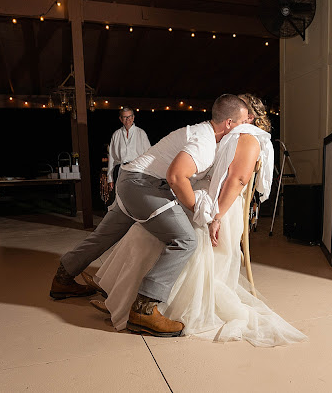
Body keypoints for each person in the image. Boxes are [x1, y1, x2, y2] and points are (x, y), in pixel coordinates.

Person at [87, 95, 308, 347]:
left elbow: (236, 181)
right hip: (197, 197)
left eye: (242, 112)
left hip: (220, 206)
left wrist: (215, 216)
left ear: (249, 117)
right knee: (144, 233)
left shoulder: (247, 137)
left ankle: (147, 306)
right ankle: (125, 300)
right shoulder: (223, 135)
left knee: (180, 239)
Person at [49, 94, 250, 338]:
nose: (244, 131)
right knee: (186, 240)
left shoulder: (202, 133)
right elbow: (176, 177)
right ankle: (144, 308)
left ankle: (63, 277)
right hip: (143, 186)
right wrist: (203, 214)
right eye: (241, 124)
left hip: (131, 179)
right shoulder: (205, 142)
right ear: (228, 123)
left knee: (104, 236)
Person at [107, 108, 151, 198]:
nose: (128, 119)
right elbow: (111, 157)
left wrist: (149, 175)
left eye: (130, 116)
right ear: (120, 119)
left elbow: (148, 154)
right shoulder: (116, 134)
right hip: (120, 171)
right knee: (120, 199)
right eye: (125, 117)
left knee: (137, 198)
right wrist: (110, 178)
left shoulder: (141, 133)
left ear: (133, 117)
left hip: (137, 171)